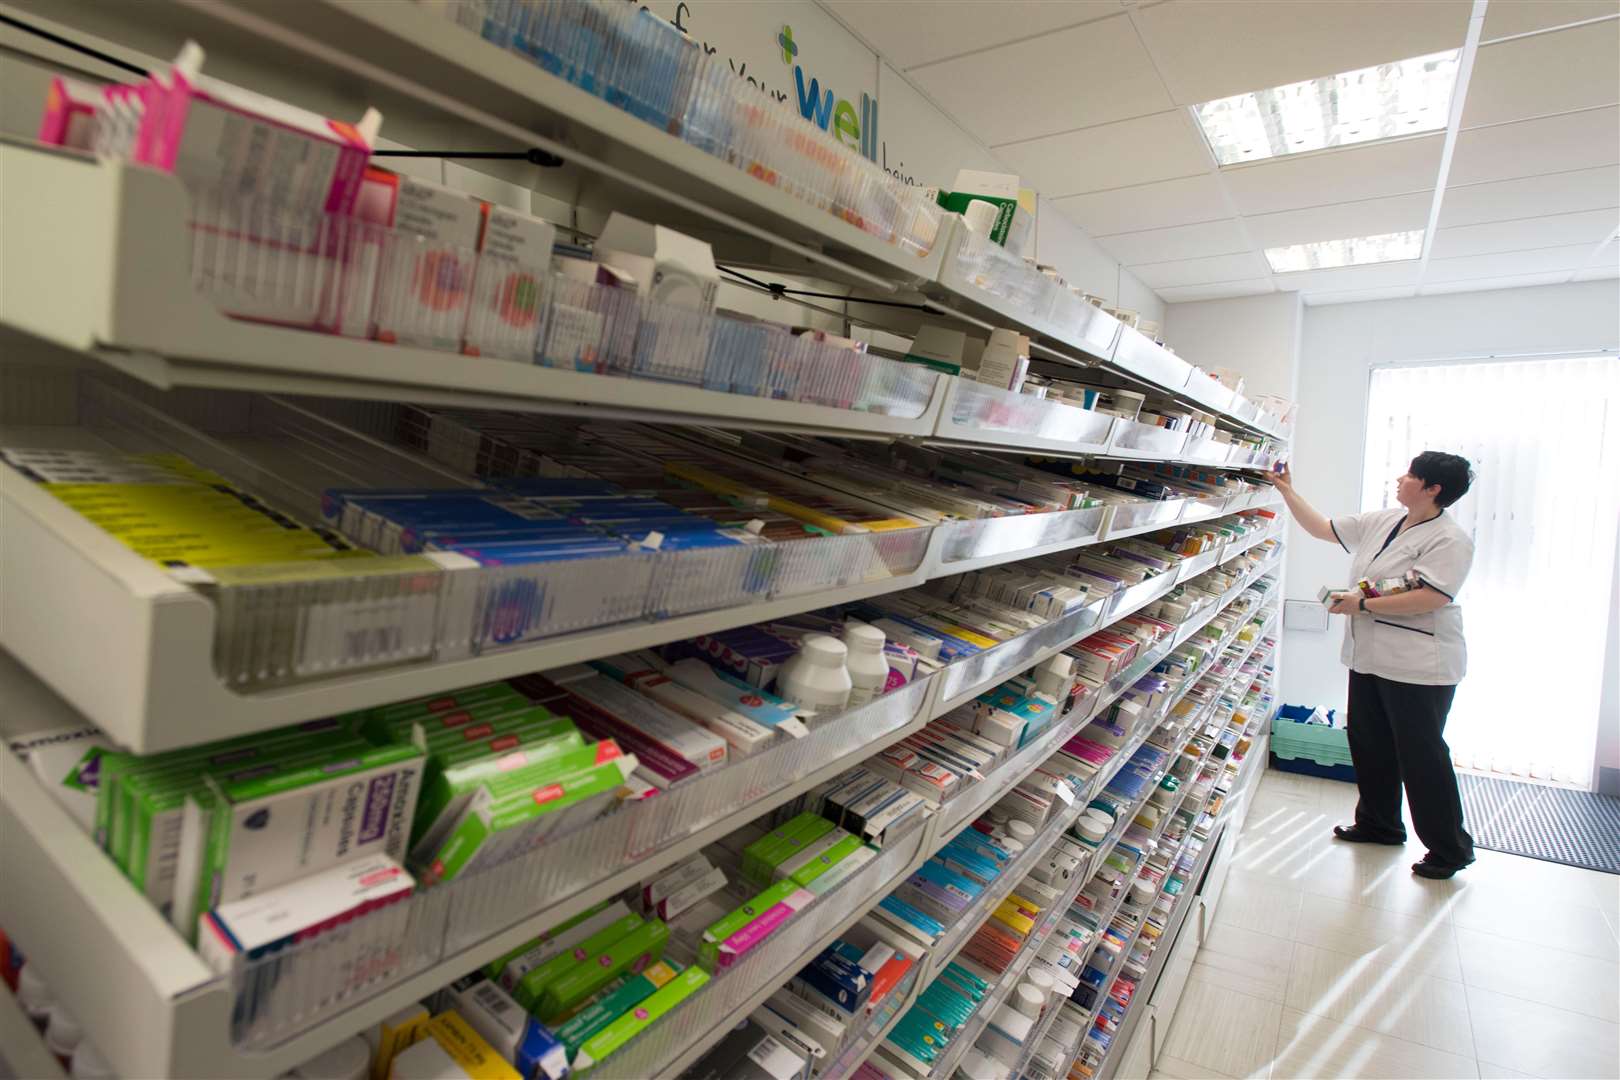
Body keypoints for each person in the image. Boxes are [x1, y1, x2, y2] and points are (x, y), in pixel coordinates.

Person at [1272, 451, 1478, 880]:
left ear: (1432, 488)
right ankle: (1379, 824)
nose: (1400, 478)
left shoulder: (1450, 539)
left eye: (1411, 475)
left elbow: (1432, 596)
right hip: (1370, 656)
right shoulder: (1385, 521)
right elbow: (1323, 529)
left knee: (1422, 755)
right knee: (1370, 743)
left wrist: (1362, 604)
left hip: (1419, 663)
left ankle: (1449, 848)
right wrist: (1287, 490)